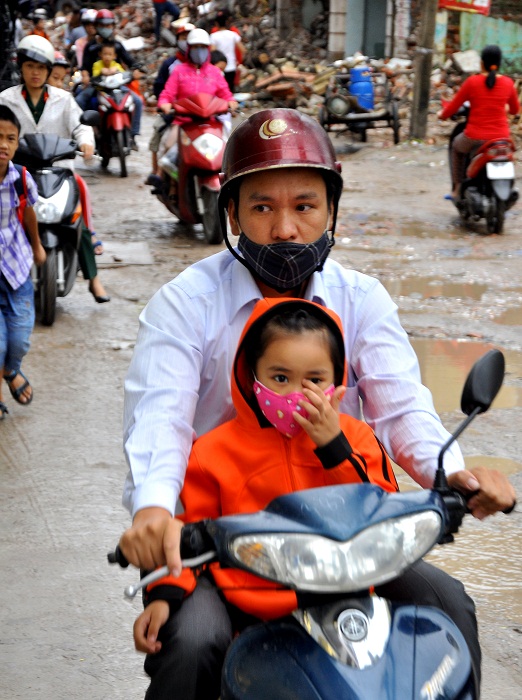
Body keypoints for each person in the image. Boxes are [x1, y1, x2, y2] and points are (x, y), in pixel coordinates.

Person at [120, 108, 517, 695]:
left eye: (304, 206)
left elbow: (401, 408)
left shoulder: (364, 299)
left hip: (341, 533)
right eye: (262, 207)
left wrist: (454, 474)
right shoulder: (185, 304)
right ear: (231, 213)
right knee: (192, 642)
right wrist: (153, 510)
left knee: (447, 608)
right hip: (221, 537)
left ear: (332, 210)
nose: (285, 229)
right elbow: (161, 420)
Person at [132, 297, 399, 697]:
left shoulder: (356, 439)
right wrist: (164, 595)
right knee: (192, 643)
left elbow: (382, 507)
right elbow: (186, 533)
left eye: (315, 379)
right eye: (280, 378)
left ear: (337, 379)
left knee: (440, 610)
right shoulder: (212, 451)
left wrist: (334, 448)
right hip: (241, 596)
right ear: (250, 375)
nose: (297, 393)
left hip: (341, 590)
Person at [0, 35, 110, 301]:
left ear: (48, 70)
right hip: (19, 173)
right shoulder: (6, 98)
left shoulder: (63, 99)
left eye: (40, 68)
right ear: (21, 68)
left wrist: (85, 142)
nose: (35, 73)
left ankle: (93, 278)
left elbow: (81, 125)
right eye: (29, 67)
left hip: (58, 171)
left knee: (77, 217)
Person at [148, 28, 237, 195]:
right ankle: (170, 183)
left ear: (208, 48)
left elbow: (225, 93)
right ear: (189, 49)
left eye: (203, 47)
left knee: (229, 151)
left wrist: (231, 102)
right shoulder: (179, 71)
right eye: (195, 47)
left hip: (210, 122)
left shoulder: (215, 72)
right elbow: (167, 93)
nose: (199, 51)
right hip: (184, 122)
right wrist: (165, 103)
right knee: (168, 147)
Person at [0, 105, 46, 419]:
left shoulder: (22, 179)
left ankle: (10, 370)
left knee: (18, 339)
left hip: (16, 268)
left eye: (10, 138)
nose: (3, 144)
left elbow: (28, 210)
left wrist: (38, 245)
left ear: (17, 144)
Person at [438, 44, 520, 201]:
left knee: (456, 146)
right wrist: (506, 106)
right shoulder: (509, 83)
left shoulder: (472, 82)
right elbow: (516, 110)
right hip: (502, 139)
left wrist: (442, 115)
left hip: (474, 137)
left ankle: (457, 189)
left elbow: (453, 107)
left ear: (481, 63)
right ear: (499, 63)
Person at [76, 9, 143, 151]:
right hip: (97, 85)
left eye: (109, 26)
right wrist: (85, 75)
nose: (106, 29)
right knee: (80, 101)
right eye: (102, 25)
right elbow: (85, 66)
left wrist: (137, 69)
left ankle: (133, 136)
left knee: (137, 101)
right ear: (97, 26)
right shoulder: (91, 46)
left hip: (116, 84)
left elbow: (130, 61)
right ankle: (82, 136)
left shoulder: (117, 45)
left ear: (113, 26)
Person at [145, 19, 195, 188]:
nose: (187, 41)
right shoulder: (171, 65)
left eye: (190, 38)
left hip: (200, 114)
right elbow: (161, 88)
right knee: (159, 137)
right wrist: (167, 105)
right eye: (184, 37)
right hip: (175, 113)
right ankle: (156, 172)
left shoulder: (207, 69)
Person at [210, 9, 245, 93]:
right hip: (231, 67)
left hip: (219, 67)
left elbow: (213, 52)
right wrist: (239, 61)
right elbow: (243, 50)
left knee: (219, 90)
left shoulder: (213, 36)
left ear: (216, 23)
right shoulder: (233, 34)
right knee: (230, 90)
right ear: (226, 22)